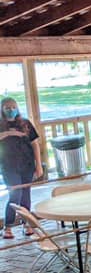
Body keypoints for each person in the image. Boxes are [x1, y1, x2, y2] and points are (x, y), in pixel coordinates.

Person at [0, 97, 42, 240]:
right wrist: (10, 133)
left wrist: (39, 166)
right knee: (15, 194)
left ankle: (27, 223)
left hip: (27, 164)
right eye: (7, 107)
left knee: (25, 194)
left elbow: (35, 144)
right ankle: (8, 225)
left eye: (13, 107)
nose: (11, 110)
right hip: (8, 166)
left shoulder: (25, 123)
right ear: (2, 110)